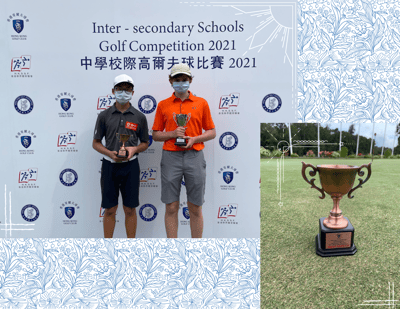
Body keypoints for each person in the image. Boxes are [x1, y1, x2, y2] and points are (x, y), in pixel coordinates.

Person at [152, 63, 216, 238]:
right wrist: (173, 133)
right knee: (171, 206)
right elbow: (156, 135)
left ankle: (196, 249)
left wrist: (195, 139)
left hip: (194, 155)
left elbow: (212, 132)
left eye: (184, 80)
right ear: (170, 80)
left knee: (195, 206)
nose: (181, 83)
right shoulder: (163, 105)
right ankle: (173, 250)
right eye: (177, 80)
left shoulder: (201, 103)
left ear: (191, 80)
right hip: (170, 157)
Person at [93, 74, 149, 238]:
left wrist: (134, 150)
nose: (123, 92)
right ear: (113, 91)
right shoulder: (104, 116)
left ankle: (130, 247)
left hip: (131, 166)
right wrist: (110, 153)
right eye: (119, 89)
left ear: (132, 92)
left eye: (127, 89)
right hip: (109, 165)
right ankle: (107, 247)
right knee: (110, 209)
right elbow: (96, 143)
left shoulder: (140, 117)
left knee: (130, 209)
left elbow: (145, 143)